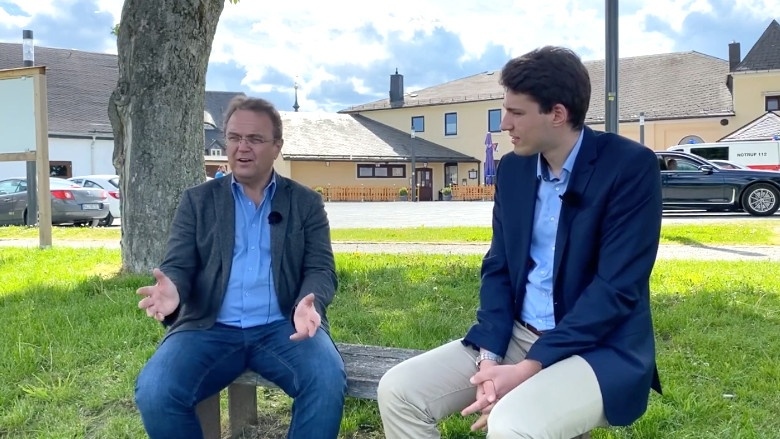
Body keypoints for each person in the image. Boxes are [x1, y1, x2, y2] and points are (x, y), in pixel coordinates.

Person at [377, 46, 663, 439]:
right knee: (399, 390)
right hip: (516, 333)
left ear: (557, 114)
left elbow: (616, 290)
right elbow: (499, 266)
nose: (504, 124)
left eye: (516, 113)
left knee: (513, 423)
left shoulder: (629, 167)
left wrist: (527, 369)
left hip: (600, 348)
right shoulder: (513, 169)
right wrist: (490, 357)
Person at [134, 96, 347, 439]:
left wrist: (310, 301)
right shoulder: (198, 201)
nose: (241, 148)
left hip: (283, 327)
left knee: (326, 380)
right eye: (234, 138)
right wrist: (173, 287)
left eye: (255, 139)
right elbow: (178, 263)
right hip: (209, 328)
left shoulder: (305, 203)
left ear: (277, 146)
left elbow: (321, 269)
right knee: (156, 391)